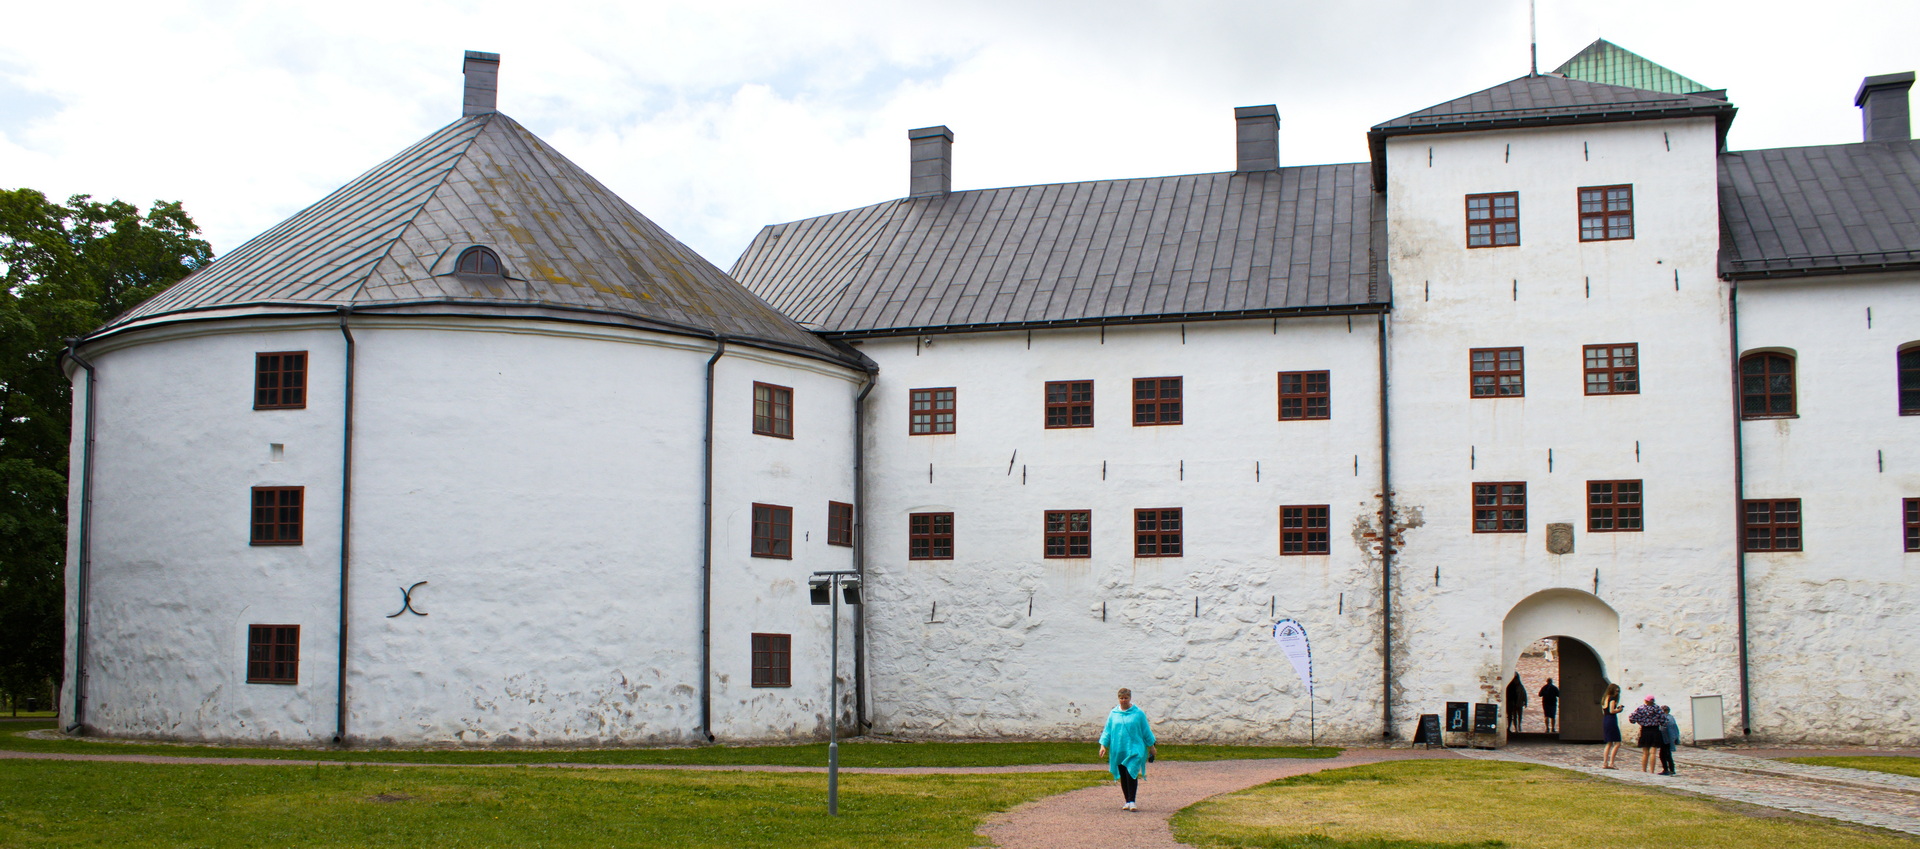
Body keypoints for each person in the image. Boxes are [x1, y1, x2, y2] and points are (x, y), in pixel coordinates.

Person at [1098, 687, 1157, 812]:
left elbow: (1145, 730)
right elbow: (1108, 730)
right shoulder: (1114, 714)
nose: (1124, 700)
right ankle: (1127, 801)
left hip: (1135, 748)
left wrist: (1151, 746)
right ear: (1118, 699)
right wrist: (1103, 745)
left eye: (1126, 698)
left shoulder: (1138, 714)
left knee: (1131, 772)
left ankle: (1132, 801)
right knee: (1123, 775)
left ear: (1130, 698)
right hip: (1119, 749)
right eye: (1121, 698)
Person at [1628, 696, 1665, 773]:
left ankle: (1644, 770)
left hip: (1645, 730)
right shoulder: (1657, 708)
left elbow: (1632, 718)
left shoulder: (1641, 708)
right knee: (1653, 752)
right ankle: (1652, 771)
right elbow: (1664, 720)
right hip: (1655, 730)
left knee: (1645, 753)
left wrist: (1638, 721)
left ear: (1645, 701)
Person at [1600, 683, 1624, 769]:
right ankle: (1611, 763)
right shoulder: (1612, 699)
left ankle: (1605, 763)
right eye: (1616, 691)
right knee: (1617, 743)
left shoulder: (1604, 698)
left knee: (1609, 743)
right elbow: (1612, 711)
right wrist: (1619, 710)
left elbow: (1604, 711)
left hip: (1606, 719)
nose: (1617, 693)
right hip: (1611, 720)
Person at [1658, 705, 1680, 775]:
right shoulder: (1670, 717)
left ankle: (1669, 770)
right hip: (1666, 738)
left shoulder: (1667, 718)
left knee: (1666, 755)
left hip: (1666, 739)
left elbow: (1670, 730)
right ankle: (1669, 769)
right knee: (1664, 754)